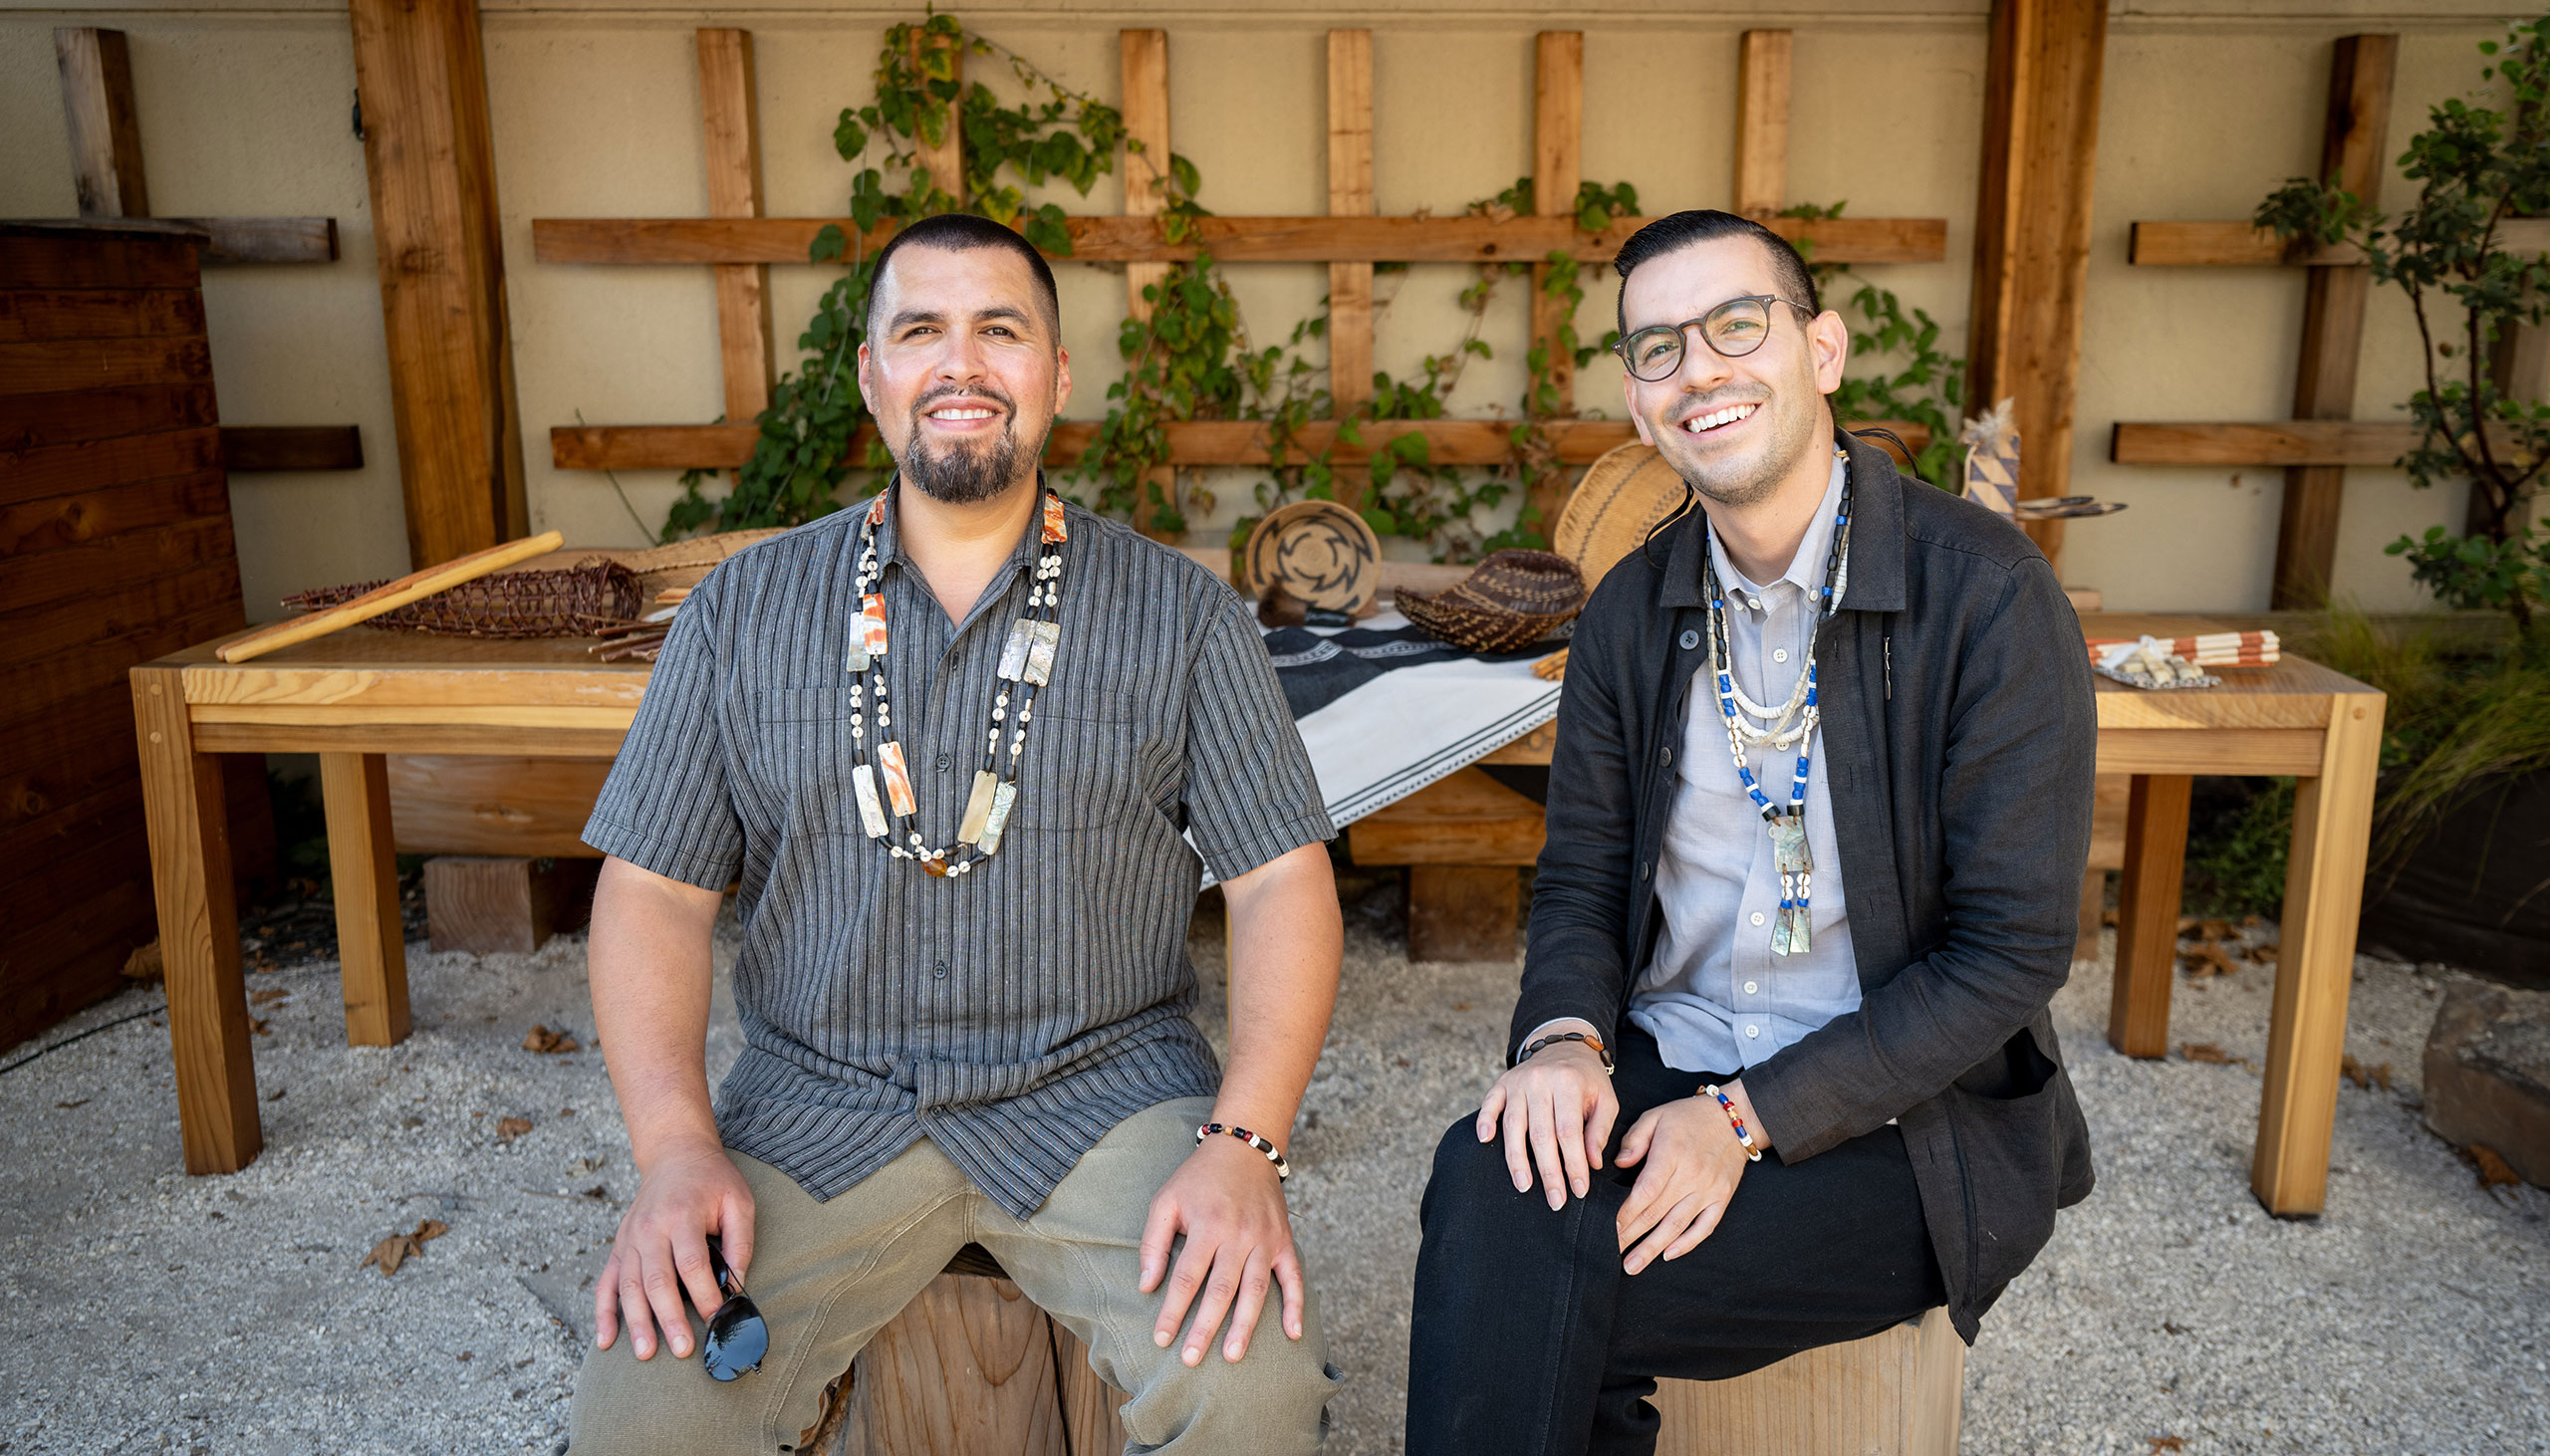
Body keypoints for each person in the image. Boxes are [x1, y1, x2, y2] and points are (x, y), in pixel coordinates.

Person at [566, 211, 1345, 1453]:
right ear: (872, 375)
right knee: (646, 1412)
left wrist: (1245, 1144)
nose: (962, 364)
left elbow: (1279, 883)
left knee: (1251, 1393)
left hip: (1104, 1093)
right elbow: (654, 891)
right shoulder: (743, 612)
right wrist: (671, 1152)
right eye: (920, 330)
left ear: (1055, 375)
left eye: (1002, 330)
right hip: (817, 1105)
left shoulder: (1181, 614)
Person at [1404, 209, 2097, 1454]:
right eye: (1659, 347)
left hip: (1899, 1116)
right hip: (1668, 1057)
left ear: (1821, 350)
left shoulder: (1984, 593)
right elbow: (1581, 879)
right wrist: (1563, 1039)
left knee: (1534, 1290)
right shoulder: (1631, 610)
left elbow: (2012, 951)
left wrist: (1744, 1119)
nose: (1700, 368)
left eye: (1738, 323)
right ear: (1636, 401)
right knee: (1487, 1174)